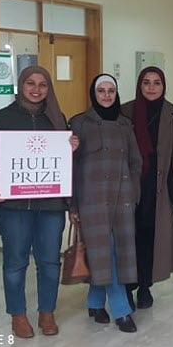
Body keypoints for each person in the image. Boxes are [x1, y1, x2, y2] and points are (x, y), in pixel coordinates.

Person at [0, 66, 78, 339]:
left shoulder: (57, 118)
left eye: (43, 84)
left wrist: (71, 148)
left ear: (49, 88)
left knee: (50, 262)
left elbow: (65, 165)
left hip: (51, 206)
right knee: (15, 263)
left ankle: (47, 312)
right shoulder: (1, 118)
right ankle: (17, 315)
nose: (36, 89)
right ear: (21, 85)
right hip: (13, 207)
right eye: (31, 83)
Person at [121, 66, 173, 310]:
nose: (151, 87)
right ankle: (126, 286)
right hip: (130, 185)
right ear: (139, 85)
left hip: (159, 186)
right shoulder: (126, 112)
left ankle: (145, 286)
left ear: (164, 86)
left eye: (157, 83)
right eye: (146, 82)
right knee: (128, 236)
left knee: (151, 236)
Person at [70, 74, 142, 333]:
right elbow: (71, 166)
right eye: (101, 90)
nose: (107, 95)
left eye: (111, 90)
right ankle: (121, 310)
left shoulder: (124, 124)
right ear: (94, 93)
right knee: (106, 251)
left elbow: (135, 161)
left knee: (114, 252)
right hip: (92, 200)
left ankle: (95, 301)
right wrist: (73, 205)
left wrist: (133, 193)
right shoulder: (79, 123)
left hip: (121, 199)